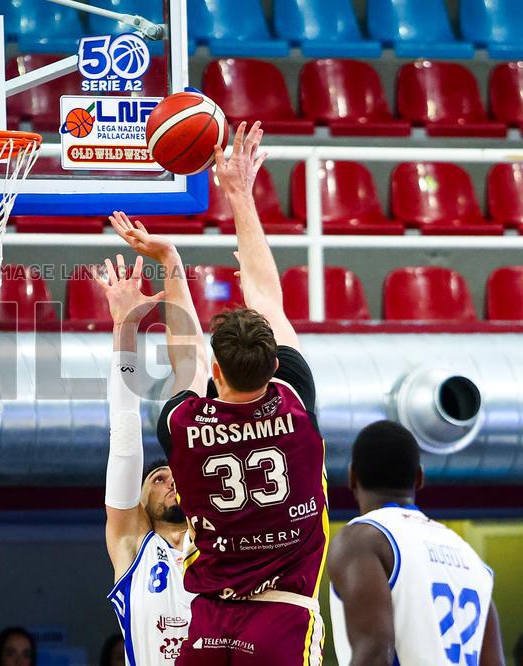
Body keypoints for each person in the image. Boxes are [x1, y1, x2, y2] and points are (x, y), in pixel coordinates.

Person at [111, 120, 328, 665]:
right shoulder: (295, 405)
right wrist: (239, 194)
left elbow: (183, 353)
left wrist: (171, 264)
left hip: (208, 622)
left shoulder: (186, 425)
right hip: (282, 615)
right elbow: (264, 293)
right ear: (275, 365)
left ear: (217, 370)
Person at [327, 420, 504, 666]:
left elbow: (375, 652)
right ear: (419, 477)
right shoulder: (470, 557)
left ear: (352, 476)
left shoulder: (362, 539)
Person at [97, 255, 195, 664]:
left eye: (175, 475)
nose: (170, 481)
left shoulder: (216, 541)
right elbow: (124, 440)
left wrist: (172, 263)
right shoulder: (132, 543)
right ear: (137, 503)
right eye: (157, 478)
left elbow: (196, 382)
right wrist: (126, 328)